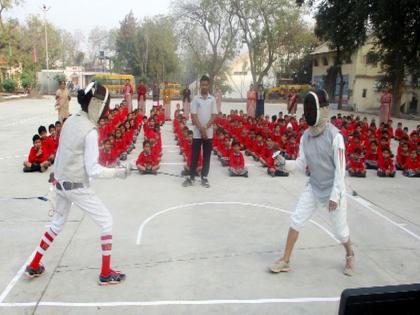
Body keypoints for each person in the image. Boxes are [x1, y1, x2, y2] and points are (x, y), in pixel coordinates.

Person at [25, 81, 130, 285]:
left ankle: (34, 264)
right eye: (105, 107)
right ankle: (106, 273)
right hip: (75, 186)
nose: (107, 112)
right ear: (96, 105)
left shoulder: (70, 121)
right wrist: (119, 172)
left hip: (61, 183)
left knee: (56, 224)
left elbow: (61, 153)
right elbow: (93, 170)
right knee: (107, 221)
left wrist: (55, 176)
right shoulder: (90, 132)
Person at [270, 89, 355, 277]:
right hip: (314, 187)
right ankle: (285, 260)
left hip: (334, 189)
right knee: (296, 219)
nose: (308, 112)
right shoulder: (306, 136)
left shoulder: (336, 136)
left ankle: (349, 253)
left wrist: (335, 195)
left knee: (341, 232)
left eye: (311, 108)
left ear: (322, 109)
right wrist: (284, 164)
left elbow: (341, 171)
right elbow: (301, 164)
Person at [183, 75, 217, 188]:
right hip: (197, 133)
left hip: (209, 133)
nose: (204, 86)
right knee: (194, 155)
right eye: (202, 84)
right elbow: (193, 115)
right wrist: (201, 129)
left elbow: (214, 115)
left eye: (206, 84)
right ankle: (191, 177)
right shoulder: (196, 99)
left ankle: (204, 177)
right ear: (200, 86)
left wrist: (206, 128)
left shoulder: (212, 99)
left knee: (207, 156)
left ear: (209, 85)